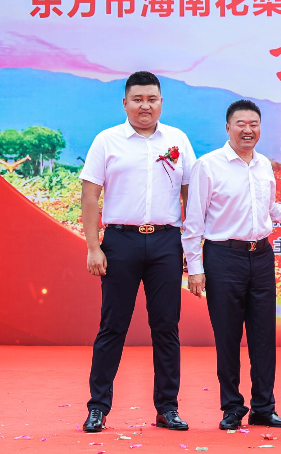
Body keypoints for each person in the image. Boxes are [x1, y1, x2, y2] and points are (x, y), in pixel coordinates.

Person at [183, 100, 281, 430]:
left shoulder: (263, 165)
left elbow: (271, 210)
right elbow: (193, 223)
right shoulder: (208, 166)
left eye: (254, 124)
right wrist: (195, 268)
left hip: (261, 256)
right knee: (228, 336)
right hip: (223, 258)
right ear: (227, 128)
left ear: (260, 128)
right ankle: (232, 407)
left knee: (263, 336)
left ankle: (263, 407)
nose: (248, 130)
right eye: (241, 124)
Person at [80, 71, 196, 433]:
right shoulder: (107, 140)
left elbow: (191, 195)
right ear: (125, 103)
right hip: (120, 241)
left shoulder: (177, 139)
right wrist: (94, 247)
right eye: (138, 99)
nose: (145, 106)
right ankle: (98, 407)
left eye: (152, 99)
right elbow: (89, 195)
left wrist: (192, 248)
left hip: (166, 242)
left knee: (166, 327)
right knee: (113, 326)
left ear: (161, 102)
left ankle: (167, 408)